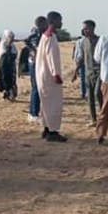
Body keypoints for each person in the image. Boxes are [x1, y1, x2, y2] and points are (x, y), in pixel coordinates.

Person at [36, 11, 67, 142]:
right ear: (53, 21)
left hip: (43, 74)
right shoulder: (51, 37)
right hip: (49, 76)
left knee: (46, 103)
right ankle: (53, 132)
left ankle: (47, 128)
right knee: (54, 104)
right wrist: (56, 74)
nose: (61, 23)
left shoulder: (45, 36)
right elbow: (51, 57)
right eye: (60, 20)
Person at [75, 20, 102, 126]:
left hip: (99, 72)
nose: (85, 31)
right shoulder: (83, 42)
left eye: (87, 28)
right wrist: (76, 70)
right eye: (84, 29)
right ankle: (93, 119)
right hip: (88, 72)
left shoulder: (100, 41)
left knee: (98, 94)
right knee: (90, 97)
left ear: (93, 28)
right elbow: (81, 57)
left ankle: (103, 117)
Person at [24, 16, 47, 123]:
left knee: (38, 88)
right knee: (36, 88)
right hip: (34, 63)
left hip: (37, 62)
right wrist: (35, 50)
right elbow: (27, 41)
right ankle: (33, 113)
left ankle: (34, 111)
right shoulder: (36, 32)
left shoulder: (41, 32)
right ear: (41, 23)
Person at [0, 29, 18, 101]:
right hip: (4, 64)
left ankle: (11, 94)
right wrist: (9, 46)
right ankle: (6, 93)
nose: (12, 39)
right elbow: (4, 54)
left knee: (12, 78)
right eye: (10, 37)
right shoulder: (3, 44)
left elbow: (15, 54)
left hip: (11, 64)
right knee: (4, 78)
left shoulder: (13, 45)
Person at [72, 33, 87, 99]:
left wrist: (74, 56)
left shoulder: (78, 41)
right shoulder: (83, 41)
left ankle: (83, 93)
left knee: (82, 78)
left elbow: (75, 49)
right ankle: (84, 93)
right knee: (84, 78)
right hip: (83, 61)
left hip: (79, 60)